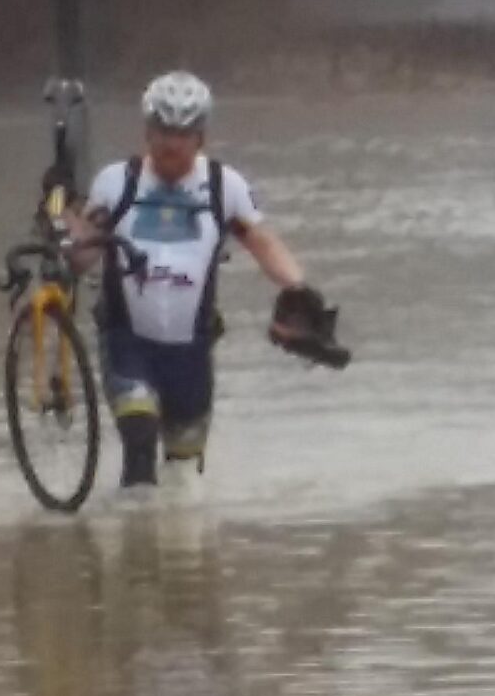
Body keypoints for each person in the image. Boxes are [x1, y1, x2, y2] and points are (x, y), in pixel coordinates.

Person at [78, 72, 343, 491]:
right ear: (147, 130)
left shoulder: (224, 187)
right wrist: (60, 237)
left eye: (182, 133)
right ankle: (137, 547)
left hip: (192, 350)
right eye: (163, 130)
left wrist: (298, 287)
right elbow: (84, 250)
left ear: (200, 136)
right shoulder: (116, 184)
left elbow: (261, 241)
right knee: (140, 441)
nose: (171, 143)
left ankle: (179, 552)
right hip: (127, 341)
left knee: (183, 479)